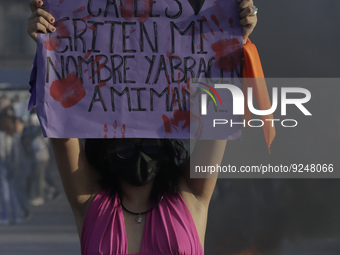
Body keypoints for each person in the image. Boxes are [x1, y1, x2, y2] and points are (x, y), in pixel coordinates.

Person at [27, 0, 258, 253]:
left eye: (150, 144)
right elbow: (62, 126)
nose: (140, 156)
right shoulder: (89, 201)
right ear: (105, 149)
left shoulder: (192, 195)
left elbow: (218, 117)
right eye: (125, 147)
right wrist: (50, 45)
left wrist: (232, 39)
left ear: (167, 146)